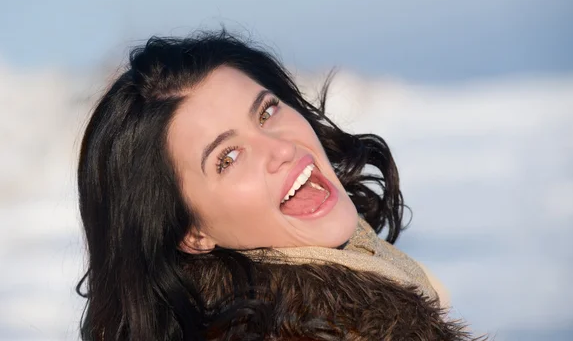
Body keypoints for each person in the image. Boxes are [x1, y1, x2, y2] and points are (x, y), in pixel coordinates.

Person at [76, 30, 483, 340]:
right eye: (228, 158)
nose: (279, 149)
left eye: (267, 112)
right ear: (191, 231)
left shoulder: (383, 281)